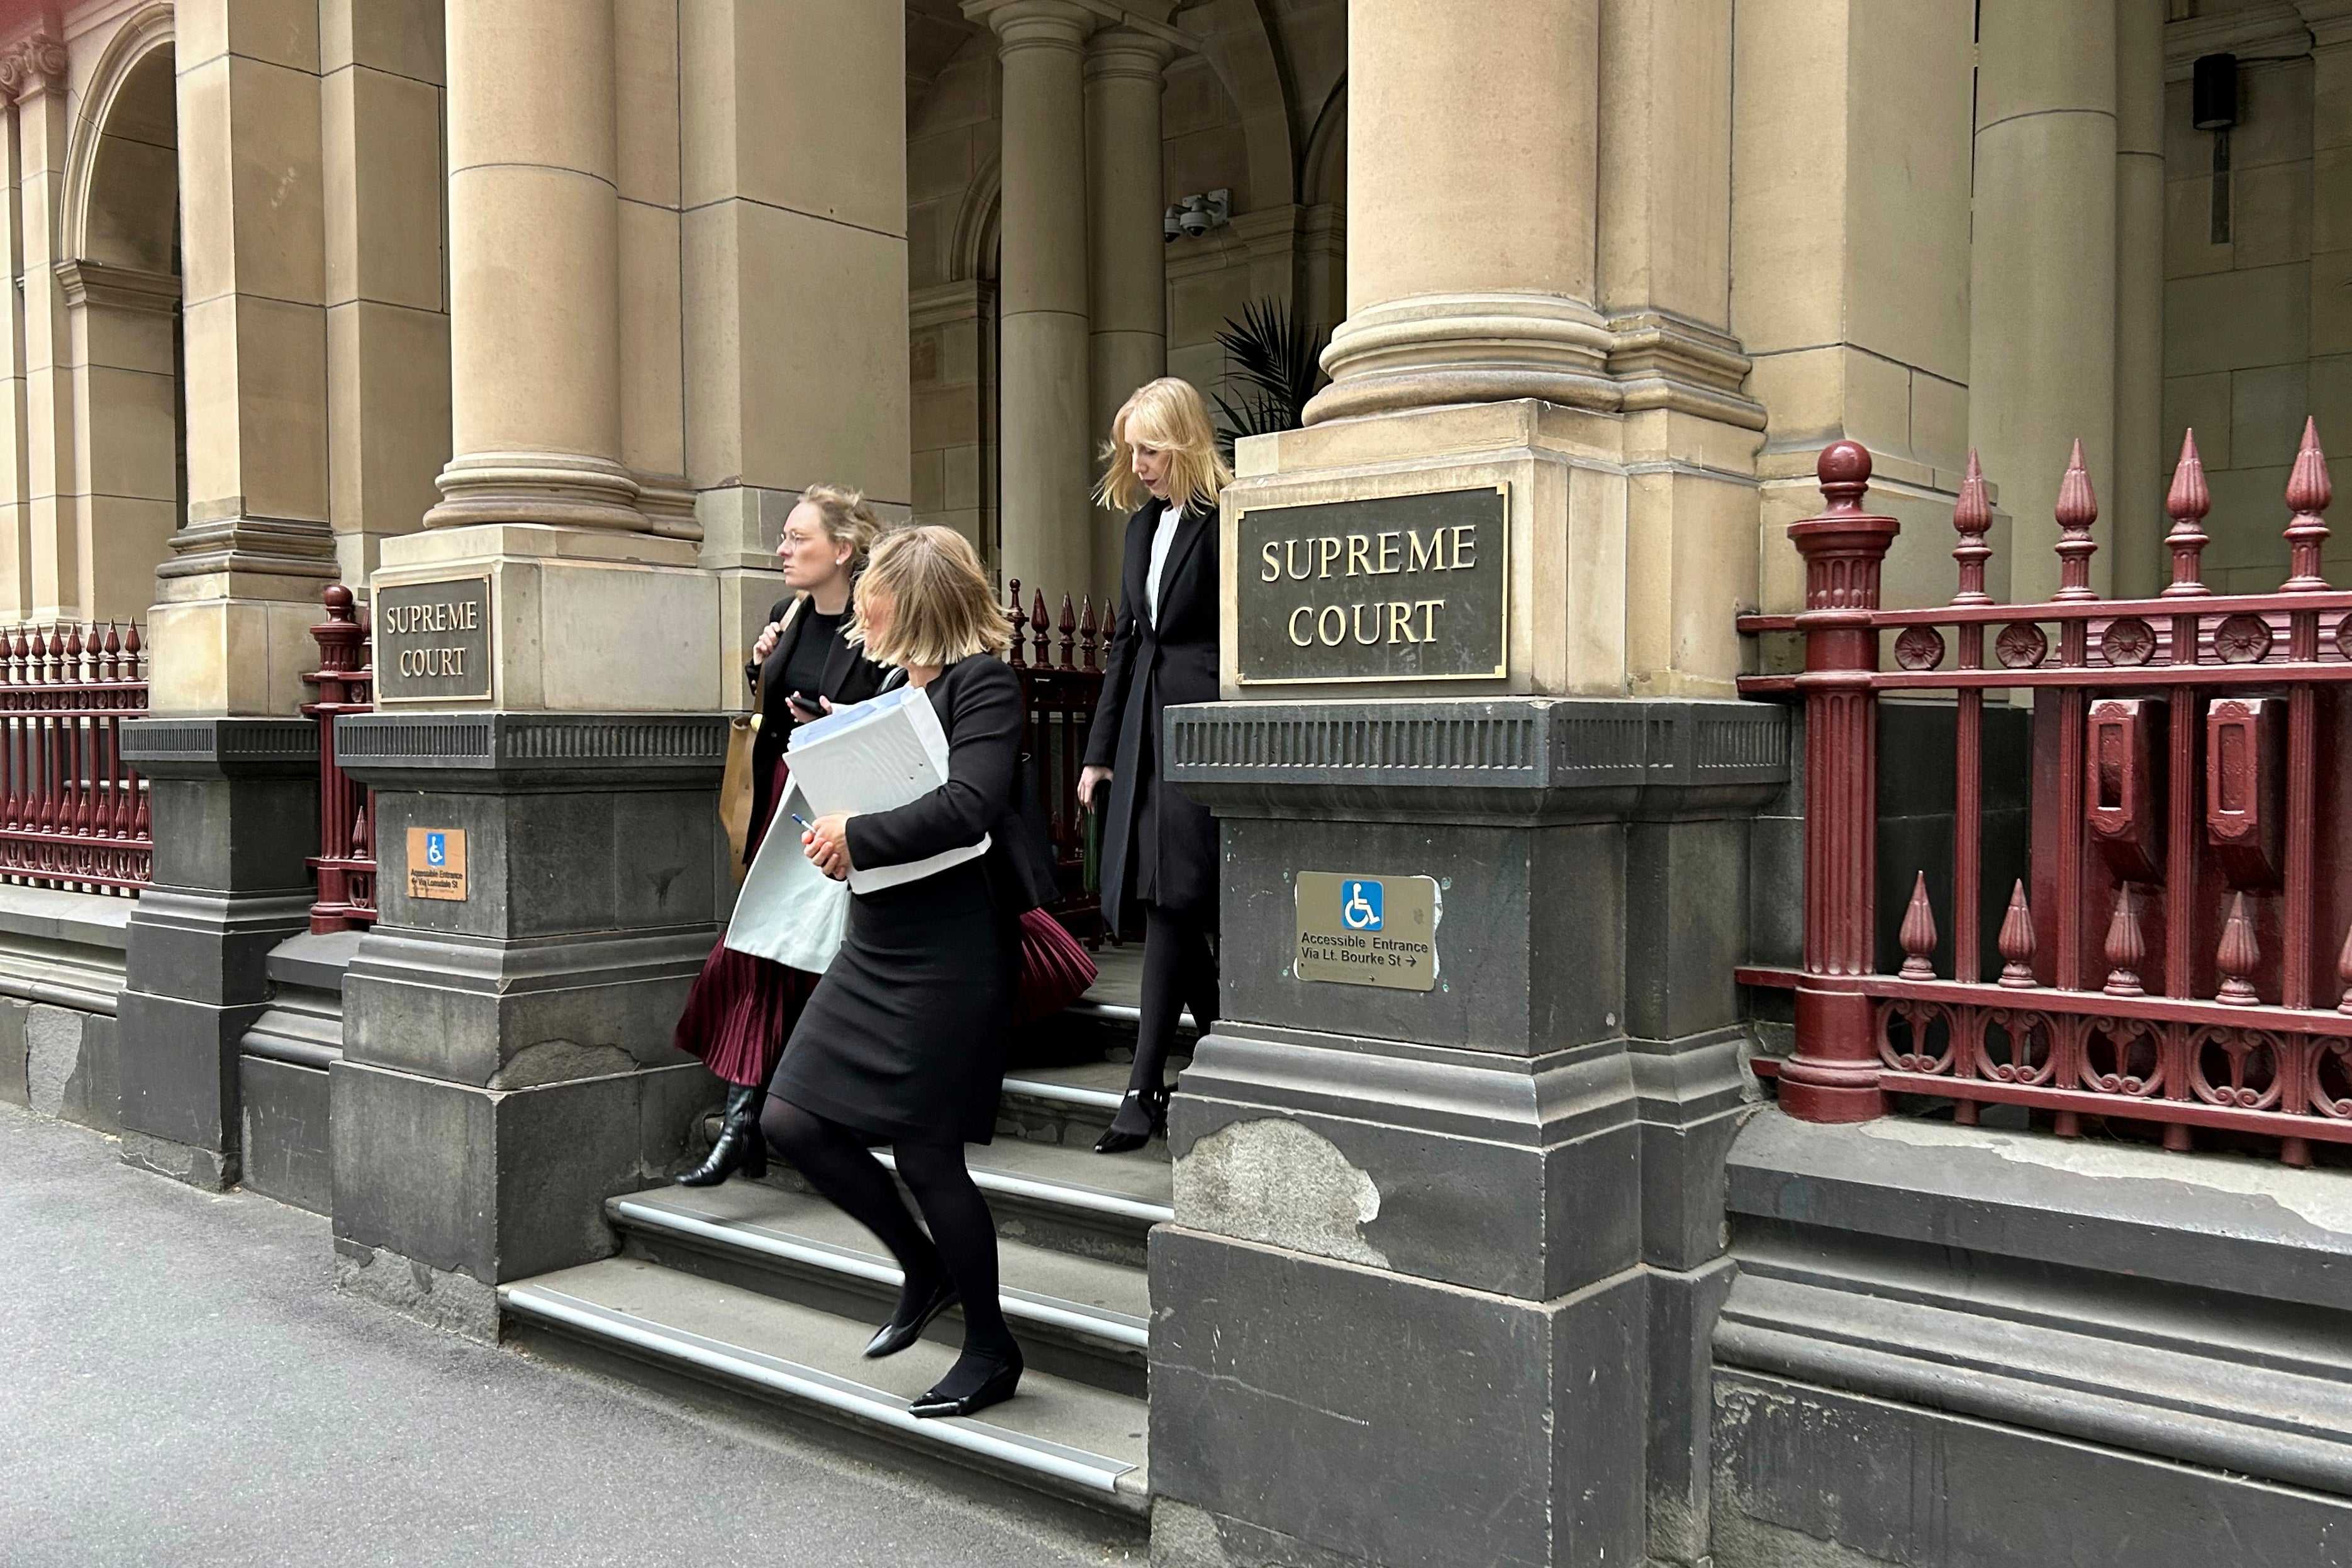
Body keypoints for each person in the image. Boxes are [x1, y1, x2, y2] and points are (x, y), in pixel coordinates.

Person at [761, 525, 1059, 1420]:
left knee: (928, 1156)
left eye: (872, 592)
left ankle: (990, 1346)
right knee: (792, 1119)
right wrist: (833, 826)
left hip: (953, 948)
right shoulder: (892, 680)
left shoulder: (985, 686)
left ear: (908, 599)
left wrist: (859, 835)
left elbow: (969, 805)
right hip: (878, 935)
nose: (859, 606)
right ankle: (923, 1266)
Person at [671, 486, 890, 1186]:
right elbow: (770, 709)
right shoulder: (784, 614)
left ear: (843, 550)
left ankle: (759, 1118)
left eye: (798, 538)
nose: (783, 550)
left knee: (799, 952)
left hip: (842, 810)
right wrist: (759, 666)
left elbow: (898, 714)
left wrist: (837, 715)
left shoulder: (876, 620)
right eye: (786, 538)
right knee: (766, 949)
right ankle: (747, 1119)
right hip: (781, 803)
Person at [1078, 377, 1230, 1155]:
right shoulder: (1141, 529)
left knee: (1175, 897)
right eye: (1129, 450)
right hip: (1143, 728)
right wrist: (1100, 754)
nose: (1136, 464)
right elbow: (1126, 642)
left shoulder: (1228, 517)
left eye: (1150, 448)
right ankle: (1223, 1041)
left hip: (1202, 726)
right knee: (1161, 895)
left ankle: (1143, 1087)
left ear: (1186, 441)